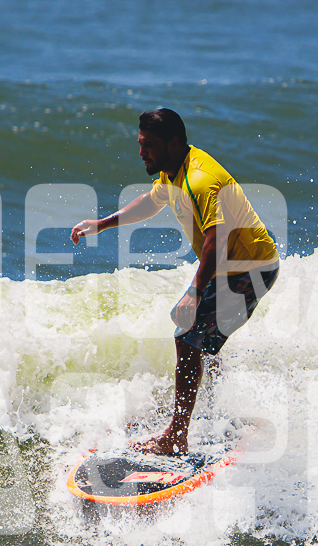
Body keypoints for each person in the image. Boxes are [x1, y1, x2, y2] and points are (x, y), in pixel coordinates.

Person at [71, 108, 279, 455]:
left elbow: (216, 240)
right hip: (232, 267)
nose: (141, 153)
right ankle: (217, 406)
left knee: (188, 335)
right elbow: (152, 201)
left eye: (149, 145)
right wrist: (102, 224)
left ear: (174, 143)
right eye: (140, 144)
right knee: (200, 337)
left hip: (250, 268)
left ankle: (176, 435)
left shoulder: (199, 180)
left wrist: (194, 293)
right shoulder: (174, 171)